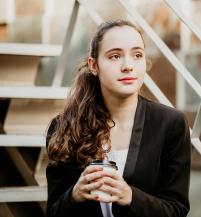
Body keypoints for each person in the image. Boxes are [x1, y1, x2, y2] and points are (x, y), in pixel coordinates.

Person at [45, 19, 191, 217]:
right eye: (115, 56)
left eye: (137, 55)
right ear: (94, 65)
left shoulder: (171, 124)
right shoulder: (64, 127)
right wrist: (74, 195)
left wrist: (131, 196)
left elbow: (177, 210)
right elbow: (53, 212)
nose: (128, 66)